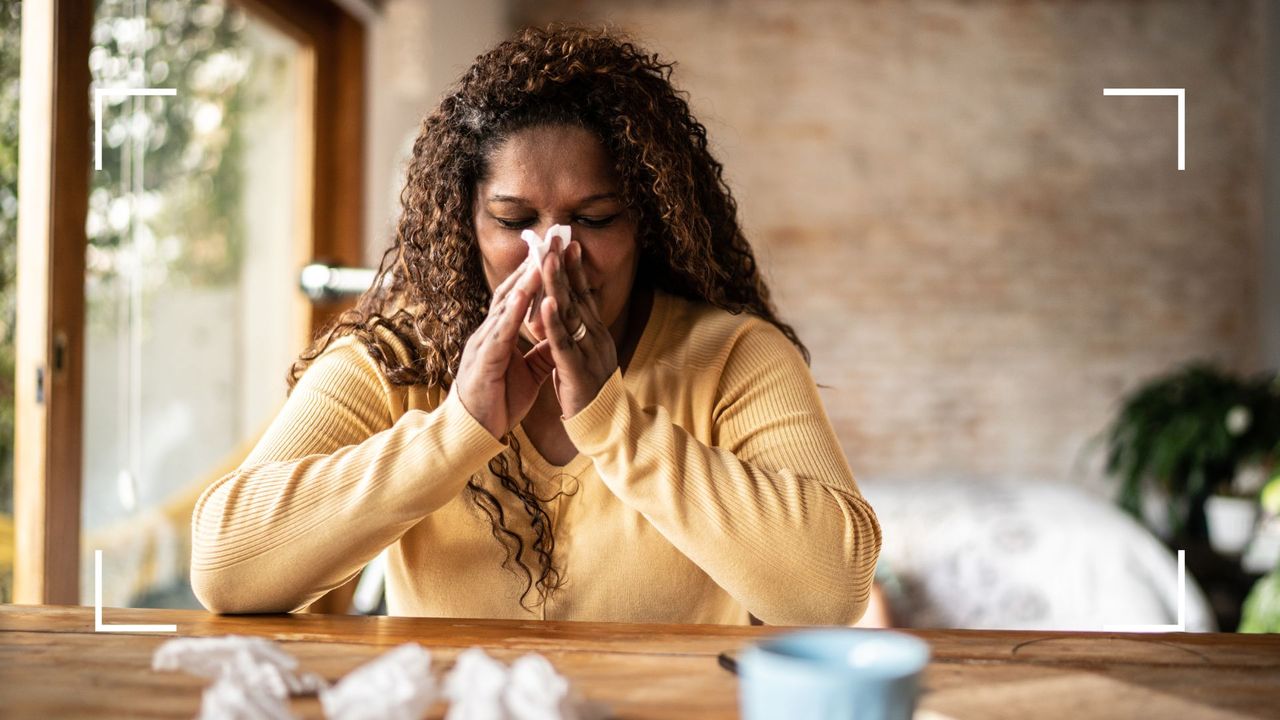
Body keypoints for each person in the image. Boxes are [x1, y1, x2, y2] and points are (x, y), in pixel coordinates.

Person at [190, 25, 881, 626]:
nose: (555, 254)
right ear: (466, 225)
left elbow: (832, 594)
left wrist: (613, 422)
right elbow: (225, 568)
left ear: (648, 222)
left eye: (596, 218)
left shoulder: (731, 357)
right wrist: (458, 428)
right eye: (517, 222)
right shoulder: (396, 357)